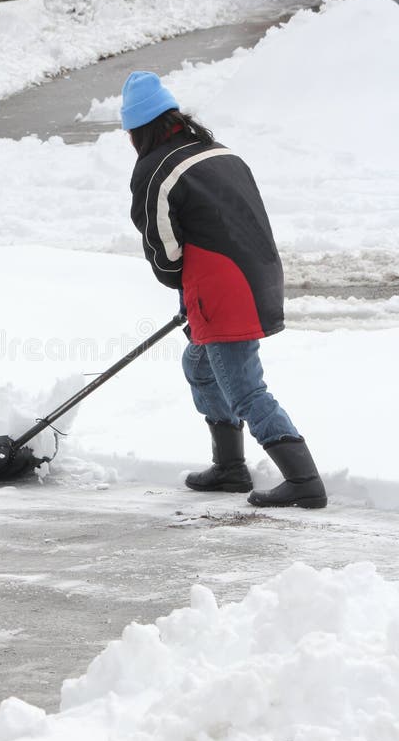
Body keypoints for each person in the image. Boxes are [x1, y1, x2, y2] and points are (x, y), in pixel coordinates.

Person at [121, 71, 327, 509]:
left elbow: (163, 248)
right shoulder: (219, 152)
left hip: (222, 288)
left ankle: (304, 480)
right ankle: (230, 467)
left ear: (137, 130)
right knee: (200, 366)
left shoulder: (155, 169)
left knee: (245, 388)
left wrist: (183, 286)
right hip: (259, 273)